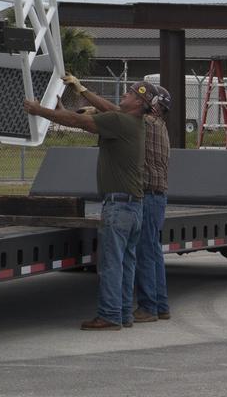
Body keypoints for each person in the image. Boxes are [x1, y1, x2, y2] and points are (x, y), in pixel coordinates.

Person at [24, 79, 158, 331]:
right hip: (133, 206)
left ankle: (109, 316)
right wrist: (80, 90)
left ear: (139, 102)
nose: (125, 94)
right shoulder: (132, 121)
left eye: (130, 93)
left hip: (118, 206)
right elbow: (106, 107)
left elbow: (79, 121)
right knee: (126, 264)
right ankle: (123, 314)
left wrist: (39, 110)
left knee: (110, 264)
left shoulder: (120, 122)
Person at [63, 74, 171, 323]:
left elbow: (116, 112)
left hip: (148, 196)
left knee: (143, 253)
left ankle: (149, 307)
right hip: (154, 196)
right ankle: (157, 305)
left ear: (153, 106)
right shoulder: (158, 126)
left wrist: (84, 92)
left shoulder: (147, 124)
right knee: (150, 252)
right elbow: (116, 113)